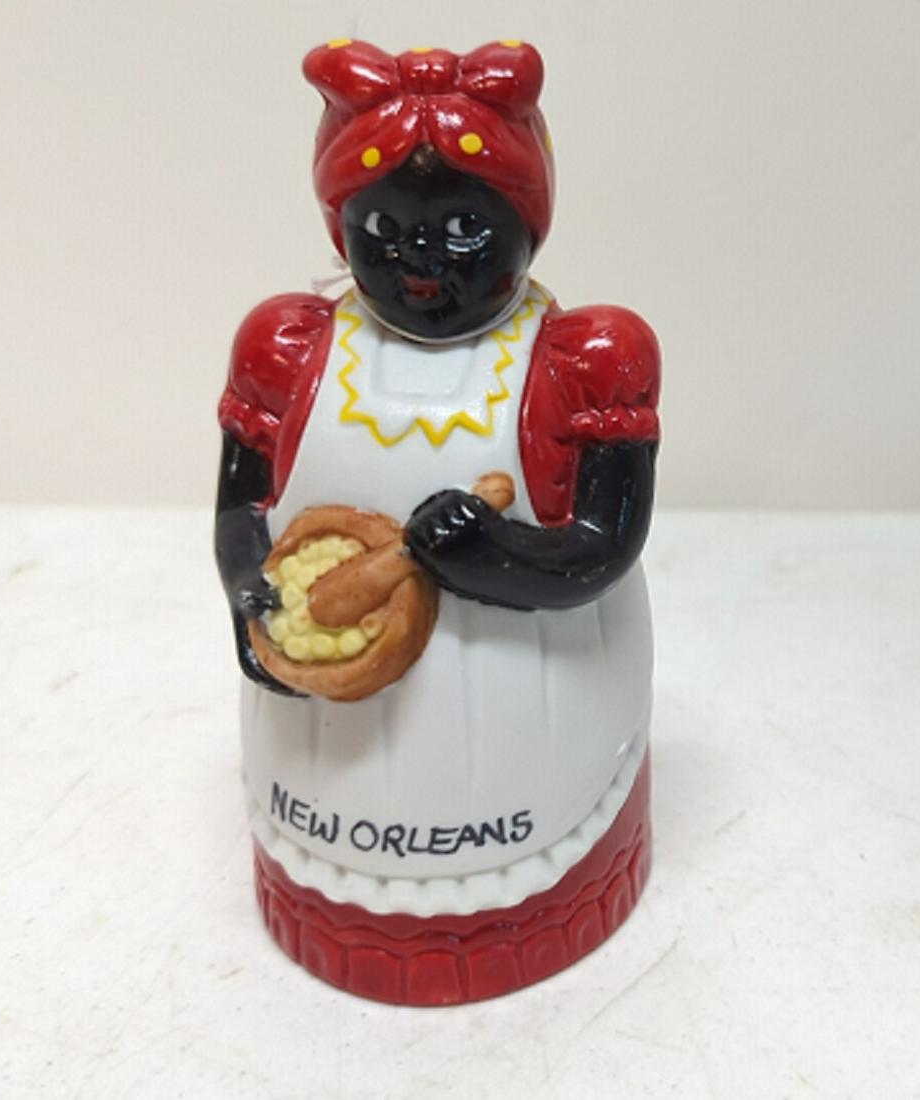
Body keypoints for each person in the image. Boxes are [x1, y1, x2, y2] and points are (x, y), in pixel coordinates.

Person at [215, 39, 660, 1005]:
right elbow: (243, 507)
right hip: (327, 741)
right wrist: (252, 594)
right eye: (381, 227)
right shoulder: (288, 347)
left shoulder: (583, 359)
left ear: (527, 222)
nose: (418, 260)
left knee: (525, 851)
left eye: (464, 227)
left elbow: (603, 549)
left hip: (526, 708)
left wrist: (494, 556)